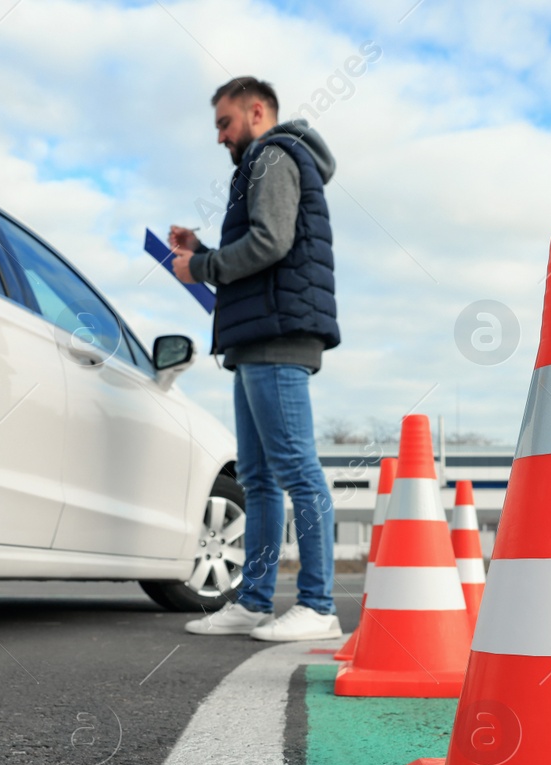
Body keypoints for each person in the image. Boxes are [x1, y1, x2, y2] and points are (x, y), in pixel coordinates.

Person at [169, 76, 341, 642]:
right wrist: (203, 252)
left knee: (294, 470)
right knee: (261, 479)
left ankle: (317, 605)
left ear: (257, 111)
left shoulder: (272, 156)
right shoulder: (265, 161)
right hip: (255, 340)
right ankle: (254, 600)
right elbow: (263, 246)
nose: (220, 137)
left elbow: (270, 243)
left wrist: (201, 269)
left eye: (225, 123)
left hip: (276, 338)